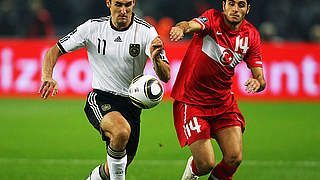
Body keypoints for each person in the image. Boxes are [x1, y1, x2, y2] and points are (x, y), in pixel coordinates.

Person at [38, 0, 170, 179]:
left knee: (116, 167)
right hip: (101, 98)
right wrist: (47, 75)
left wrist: (155, 59)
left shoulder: (146, 31)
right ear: (108, 3)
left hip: (132, 104)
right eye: (118, 4)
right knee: (121, 131)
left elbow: (166, 76)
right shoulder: (92, 28)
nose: (123, 10)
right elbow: (54, 50)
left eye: (128, 4)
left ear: (133, 4)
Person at [169, 0, 265, 179]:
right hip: (193, 101)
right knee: (205, 164)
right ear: (224, 5)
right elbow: (190, 25)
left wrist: (258, 83)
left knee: (234, 158)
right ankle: (192, 171)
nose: (235, 9)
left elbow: (260, 78)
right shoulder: (212, 19)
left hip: (223, 103)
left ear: (248, 9)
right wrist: (181, 28)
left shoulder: (251, 35)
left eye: (241, 5)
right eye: (231, 3)